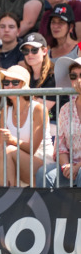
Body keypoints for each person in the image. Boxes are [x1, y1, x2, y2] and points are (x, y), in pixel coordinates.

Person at [0, 64, 53, 186]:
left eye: (15, 82)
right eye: (6, 83)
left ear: (24, 85)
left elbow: (32, 149)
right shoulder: (5, 111)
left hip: (42, 164)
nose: (9, 86)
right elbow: (1, 147)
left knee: (8, 150)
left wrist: (13, 140)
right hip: (12, 159)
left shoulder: (38, 109)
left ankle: (8, 195)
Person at [37, 54, 81, 188]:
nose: (78, 80)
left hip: (78, 169)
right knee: (43, 174)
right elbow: (60, 147)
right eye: (73, 76)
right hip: (71, 166)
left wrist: (77, 167)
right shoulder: (65, 109)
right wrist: (66, 166)